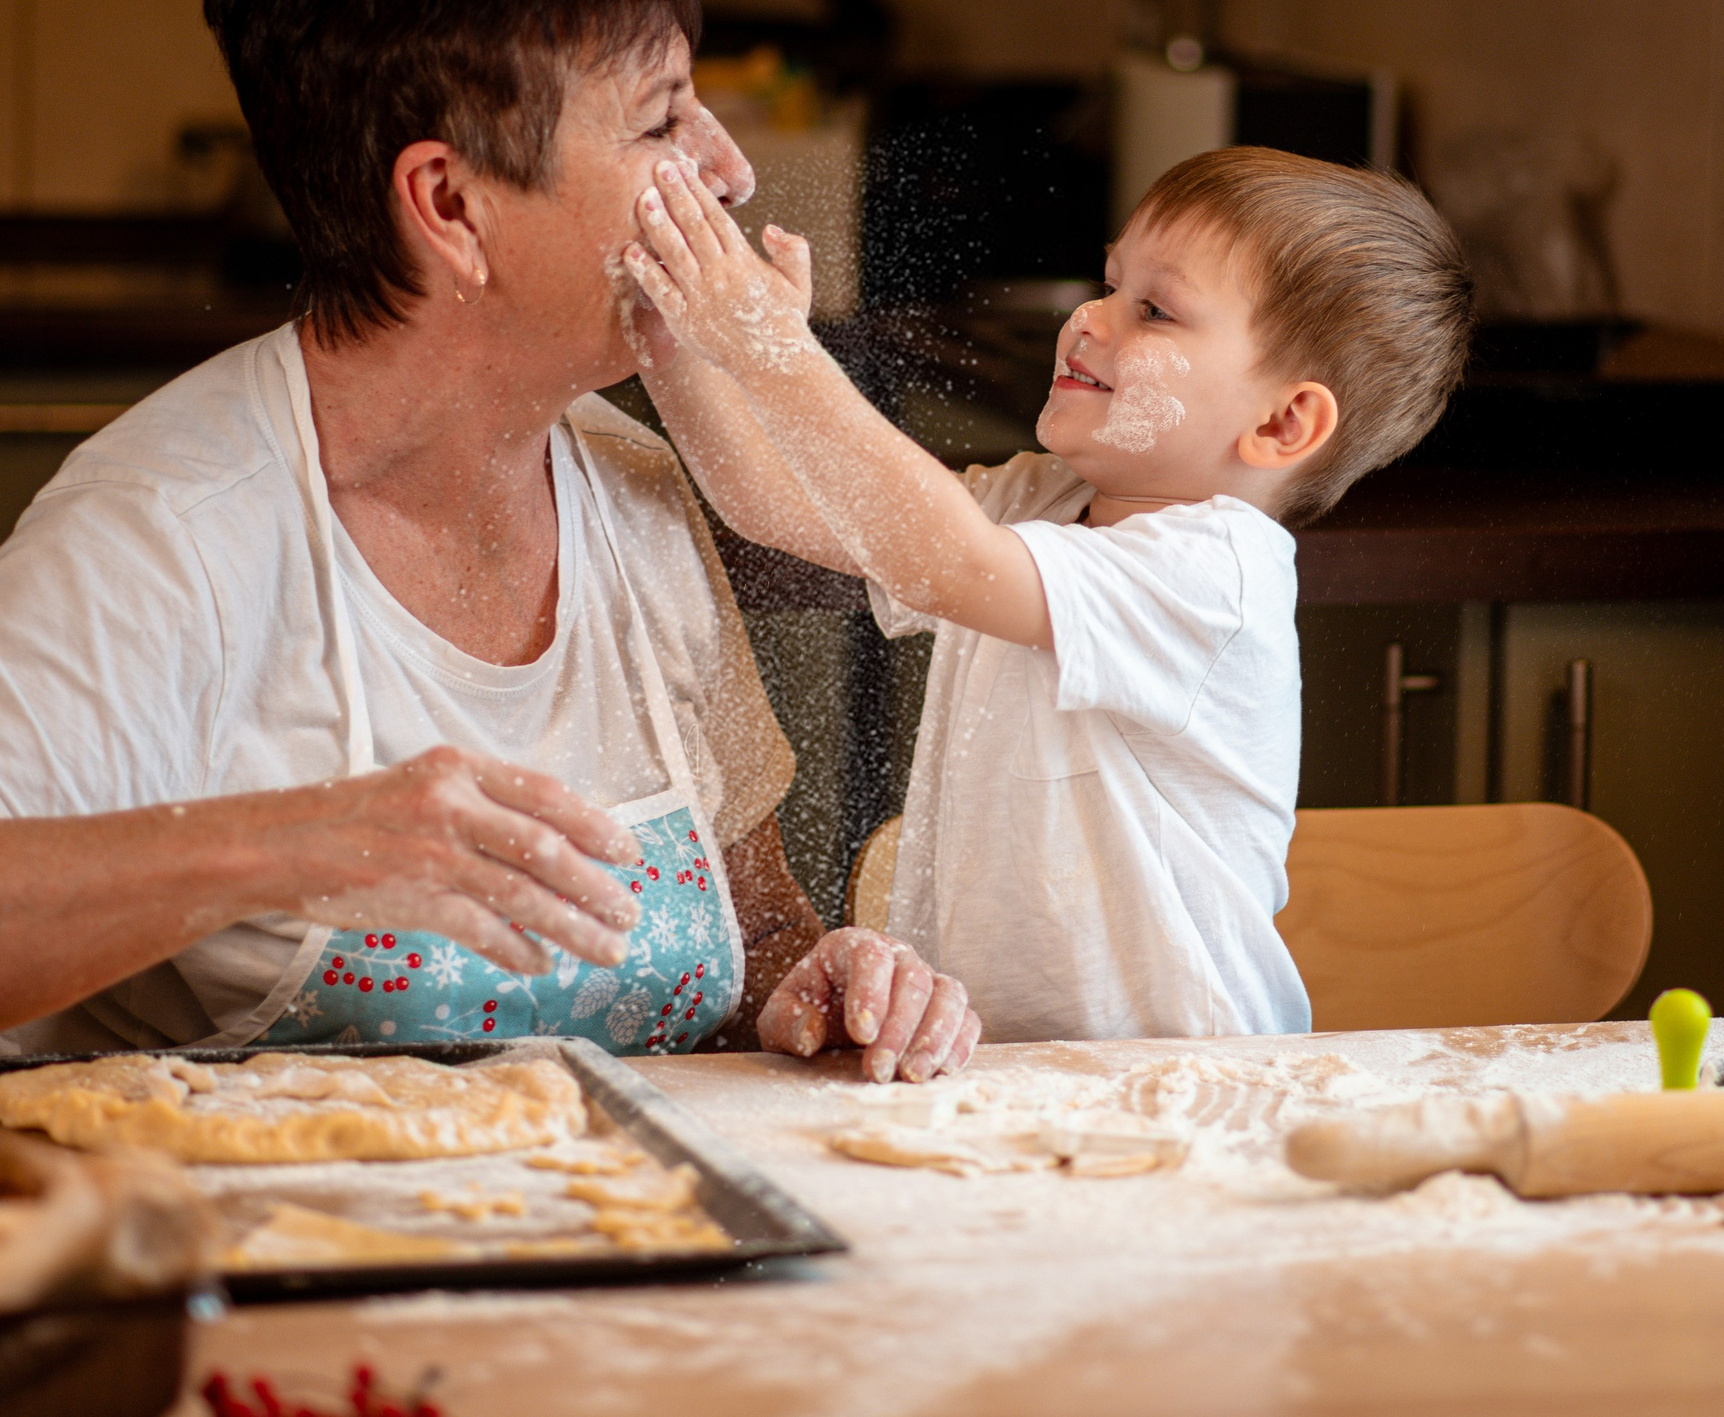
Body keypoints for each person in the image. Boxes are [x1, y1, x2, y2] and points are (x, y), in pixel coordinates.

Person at [0, 0, 978, 1086]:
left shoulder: (634, 483)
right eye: (660, 120)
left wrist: (823, 982)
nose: (731, 169)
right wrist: (290, 844)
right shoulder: (183, 531)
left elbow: (750, 933)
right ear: (449, 205)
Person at [626, 145, 1472, 1041]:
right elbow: (776, 502)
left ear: (1280, 422)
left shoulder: (1216, 575)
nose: (1089, 319)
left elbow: (947, 562)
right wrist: (669, 334)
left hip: (1187, 1090)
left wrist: (776, 356)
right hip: (1008, 1079)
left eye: (1154, 310)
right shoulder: (1043, 502)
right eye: (1110, 284)